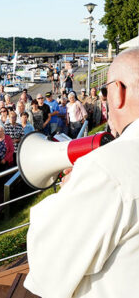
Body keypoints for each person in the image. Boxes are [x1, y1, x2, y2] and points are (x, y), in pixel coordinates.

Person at [24, 46, 139, 298]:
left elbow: (48, 268)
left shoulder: (106, 168)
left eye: (105, 91)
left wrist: (68, 191)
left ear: (118, 91)